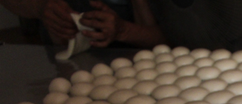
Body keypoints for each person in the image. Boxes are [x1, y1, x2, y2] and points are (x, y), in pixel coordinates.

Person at [1, 0, 165, 48]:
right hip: (68, 64)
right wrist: (40, 6)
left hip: (138, 65)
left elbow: (178, 39)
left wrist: (124, 31)